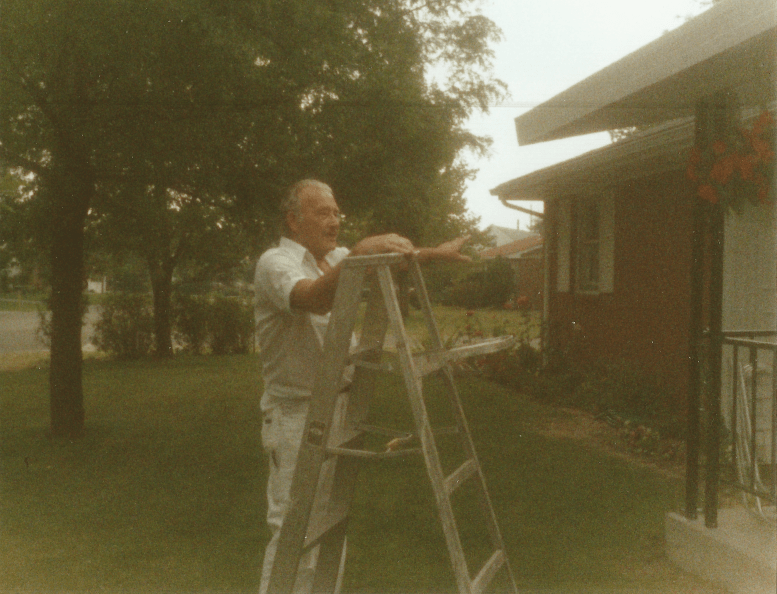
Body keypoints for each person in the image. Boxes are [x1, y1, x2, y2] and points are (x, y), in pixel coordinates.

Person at [254, 179, 470, 593]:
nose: (334, 221)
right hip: (296, 417)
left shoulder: (334, 258)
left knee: (331, 525)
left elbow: (388, 261)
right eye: (323, 212)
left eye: (337, 212)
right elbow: (314, 298)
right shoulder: (275, 263)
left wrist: (432, 254)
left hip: (338, 408)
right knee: (292, 532)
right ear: (293, 220)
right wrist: (359, 253)